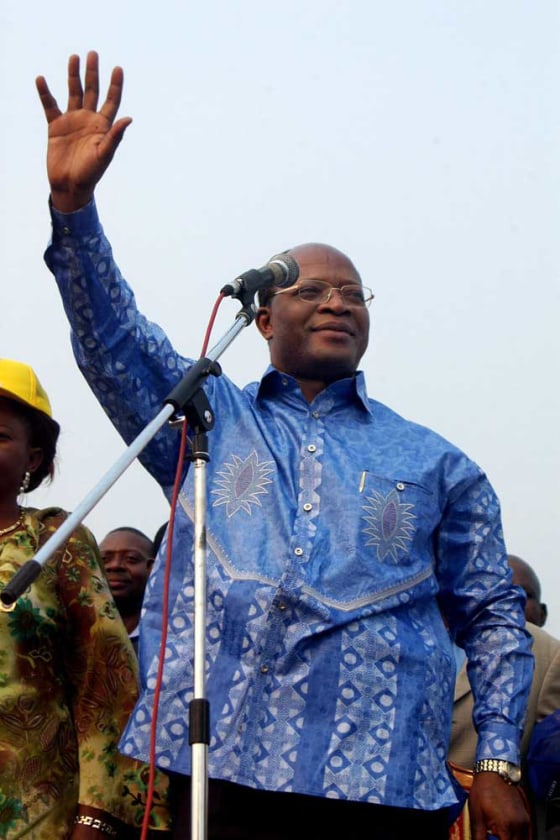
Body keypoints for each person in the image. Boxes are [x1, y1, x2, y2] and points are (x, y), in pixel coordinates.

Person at [36, 51, 535, 840]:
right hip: (218, 769)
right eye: (312, 290)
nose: (338, 302)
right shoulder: (207, 416)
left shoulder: (438, 463)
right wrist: (74, 210)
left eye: (353, 293)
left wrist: (500, 760)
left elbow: (495, 614)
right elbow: (114, 342)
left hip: (384, 785)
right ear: (262, 319)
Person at [0, 358, 170, 838]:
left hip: (32, 815)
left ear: (33, 458)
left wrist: (95, 816)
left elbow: (108, 683)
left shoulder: (55, 540)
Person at [450, 555, 560, 839]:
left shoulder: (547, 654)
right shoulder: (391, 633)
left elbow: (550, 766)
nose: (511, 601)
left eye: (524, 595)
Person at [99, 526, 155, 654]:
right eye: (104, 559)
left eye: (131, 558)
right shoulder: (75, 641)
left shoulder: (170, 643)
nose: (115, 565)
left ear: (152, 568)